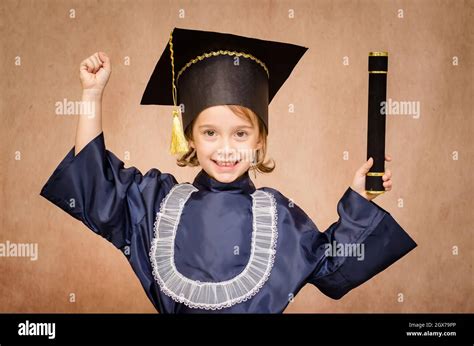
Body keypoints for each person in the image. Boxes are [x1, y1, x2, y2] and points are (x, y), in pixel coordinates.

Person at [40, 27, 417, 313]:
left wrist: (360, 200)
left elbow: (333, 264)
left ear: (259, 142)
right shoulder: (157, 204)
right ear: (188, 137)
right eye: (209, 133)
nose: (225, 148)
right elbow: (94, 184)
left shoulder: (278, 217)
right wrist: (91, 95)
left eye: (240, 133)